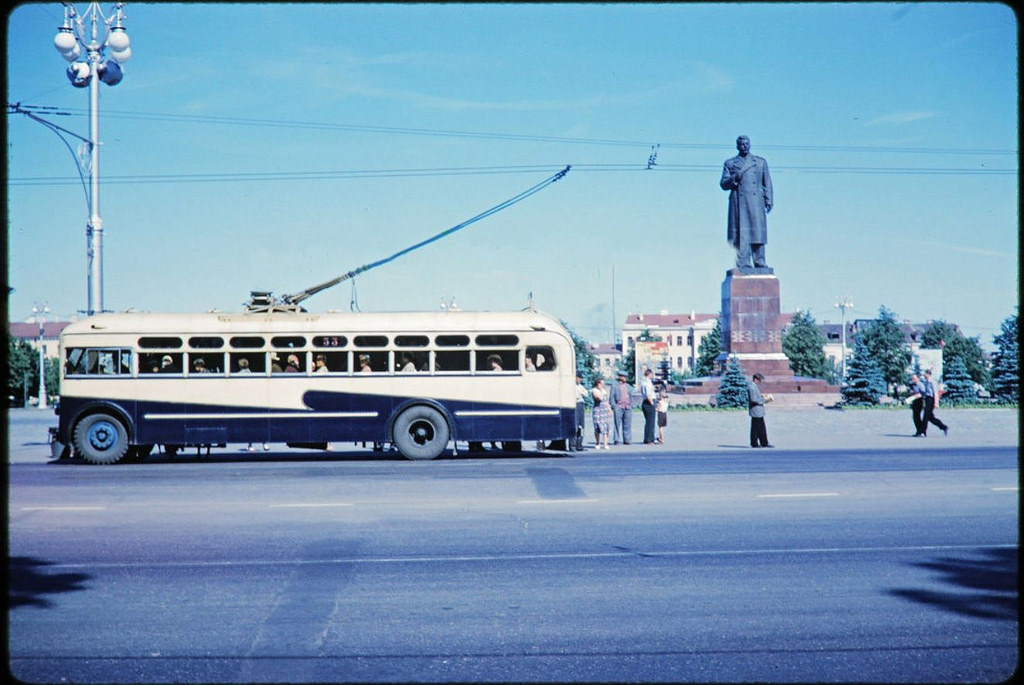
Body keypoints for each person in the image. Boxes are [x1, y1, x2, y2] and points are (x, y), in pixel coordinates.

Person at [720, 135, 773, 270]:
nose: (745, 146)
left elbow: (767, 182)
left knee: (758, 232)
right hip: (739, 202)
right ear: (737, 146)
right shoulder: (730, 163)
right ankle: (743, 262)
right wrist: (734, 178)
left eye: (747, 144)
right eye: (742, 144)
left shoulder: (760, 162)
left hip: (756, 203)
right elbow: (723, 184)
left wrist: (769, 199)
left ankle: (759, 261)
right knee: (742, 232)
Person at [747, 372, 773, 447]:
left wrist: (762, 396)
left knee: (760, 428)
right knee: (756, 428)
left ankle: (763, 442)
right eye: (759, 380)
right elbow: (753, 399)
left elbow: (756, 396)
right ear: (755, 379)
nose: (760, 382)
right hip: (756, 410)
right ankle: (756, 443)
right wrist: (765, 400)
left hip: (758, 411)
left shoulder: (754, 386)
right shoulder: (751, 387)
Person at [921, 368, 949, 436]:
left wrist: (936, 403)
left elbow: (935, 392)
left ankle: (923, 431)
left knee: (925, 416)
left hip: (931, 399)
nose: (923, 375)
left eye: (925, 373)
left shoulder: (932, 382)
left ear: (928, 374)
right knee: (930, 417)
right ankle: (943, 427)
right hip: (927, 399)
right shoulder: (926, 382)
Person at [610, 371, 633, 445]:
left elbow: (631, 396)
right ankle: (616, 439)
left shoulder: (628, 386)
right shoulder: (614, 385)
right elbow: (611, 397)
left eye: (626, 377)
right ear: (620, 377)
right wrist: (614, 406)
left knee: (627, 424)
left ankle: (627, 439)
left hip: (627, 407)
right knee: (617, 424)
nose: (625, 378)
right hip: (618, 406)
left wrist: (631, 405)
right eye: (623, 376)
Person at [591, 377, 612, 450]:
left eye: (603, 383)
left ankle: (605, 443)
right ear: (598, 383)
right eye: (601, 383)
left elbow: (606, 401)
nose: (603, 385)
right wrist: (601, 392)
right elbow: (599, 398)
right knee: (598, 427)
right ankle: (597, 443)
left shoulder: (604, 390)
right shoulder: (594, 390)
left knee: (606, 427)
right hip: (598, 410)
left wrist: (610, 409)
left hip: (605, 410)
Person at [640, 368, 658, 444]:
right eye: (652, 374)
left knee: (649, 422)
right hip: (649, 402)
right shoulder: (647, 383)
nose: (652, 375)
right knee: (651, 422)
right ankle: (649, 439)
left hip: (646, 402)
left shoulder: (643, 382)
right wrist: (652, 404)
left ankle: (648, 438)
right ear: (649, 374)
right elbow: (648, 395)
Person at [573, 371, 588, 451]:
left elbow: (586, 393)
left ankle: (579, 444)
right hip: (574, 405)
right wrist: (579, 394)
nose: (580, 380)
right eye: (578, 378)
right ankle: (573, 445)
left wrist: (580, 393)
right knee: (575, 425)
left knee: (581, 426)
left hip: (580, 405)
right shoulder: (572, 386)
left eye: (580, 378)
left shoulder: (581, 386)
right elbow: (575, 396)